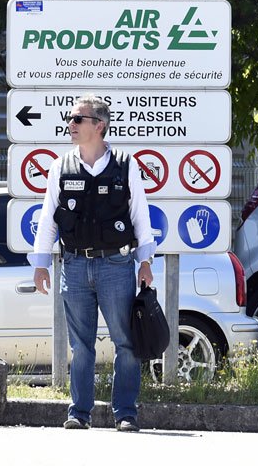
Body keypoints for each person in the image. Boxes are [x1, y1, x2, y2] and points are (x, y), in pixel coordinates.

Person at [29, 94, 156, 432]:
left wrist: (145, 262)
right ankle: (78, 413)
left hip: (116, 266)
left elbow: (140, 217)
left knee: (126, 342)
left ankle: (126, 413)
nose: (70, 125)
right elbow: (47, 219)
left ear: (98, 126)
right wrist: (41, 264)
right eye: (70, 119)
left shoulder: (126, 165)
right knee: (80, 345)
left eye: (77, 119)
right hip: (73, 266)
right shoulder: (61, 166)